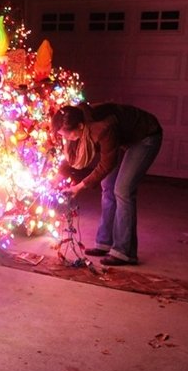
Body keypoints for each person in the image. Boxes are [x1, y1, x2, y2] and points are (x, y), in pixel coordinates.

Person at [52, 103, 163, 266]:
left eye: (68, 135)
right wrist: (59, 174)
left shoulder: (102, 128)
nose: (67, 139)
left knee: (123, 190)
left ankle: (125, 252)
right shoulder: (76, 120)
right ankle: (104, 243)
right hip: (122, 138)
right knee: (108, 186)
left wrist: (79, 186)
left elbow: (106, 164)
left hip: (145, 136)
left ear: (81, 126)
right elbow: (70, 156)